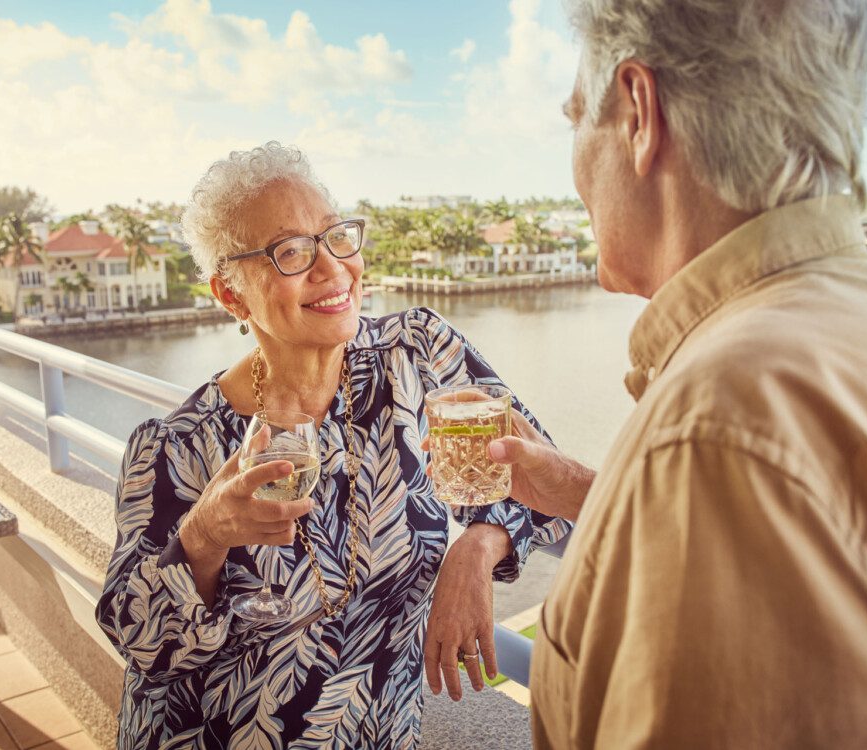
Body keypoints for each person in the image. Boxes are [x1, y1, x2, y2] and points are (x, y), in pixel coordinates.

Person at [482, 0, 867, 747]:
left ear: (639, 113)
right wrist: (595, 493)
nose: (573, 158)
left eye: (579, 116)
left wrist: (675, 471)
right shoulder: (866, 315)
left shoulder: (720, 422)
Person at [95, 142, 570, 748]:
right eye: (290, 252)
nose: (332, 269)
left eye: (336, 236)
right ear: (231, 295)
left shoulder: (417, 356)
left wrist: (478, 543)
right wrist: (204, 536)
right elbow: (139, 644)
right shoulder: (176, 447)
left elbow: (536, 470)